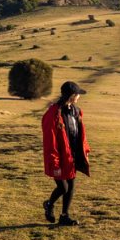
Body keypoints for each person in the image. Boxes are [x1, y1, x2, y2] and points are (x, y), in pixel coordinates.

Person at [41, 81, 90, 226]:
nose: (79, 97)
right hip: (59, 157)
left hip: (72, 156)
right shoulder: (53, 114)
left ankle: (64, 216)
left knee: (71, 186)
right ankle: (49, 204)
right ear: (72, 95)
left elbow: (80, 135)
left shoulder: (76, 111)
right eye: (78, 94)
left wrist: (84, 152)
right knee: (63, 187)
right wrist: (54, 162)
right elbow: (50, 141)